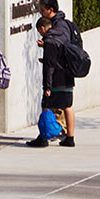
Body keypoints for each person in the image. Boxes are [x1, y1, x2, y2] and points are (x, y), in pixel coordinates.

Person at [28, 12, 78, 148]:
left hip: (56, 81)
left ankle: (43, 138)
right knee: (68, 107)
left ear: (43, 28)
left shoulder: (49, 41)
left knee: (46, 107)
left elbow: (49, 67)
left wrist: (47, 87)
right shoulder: (64, 35)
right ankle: (70, 138)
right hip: (68, 77)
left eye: (39, 31)